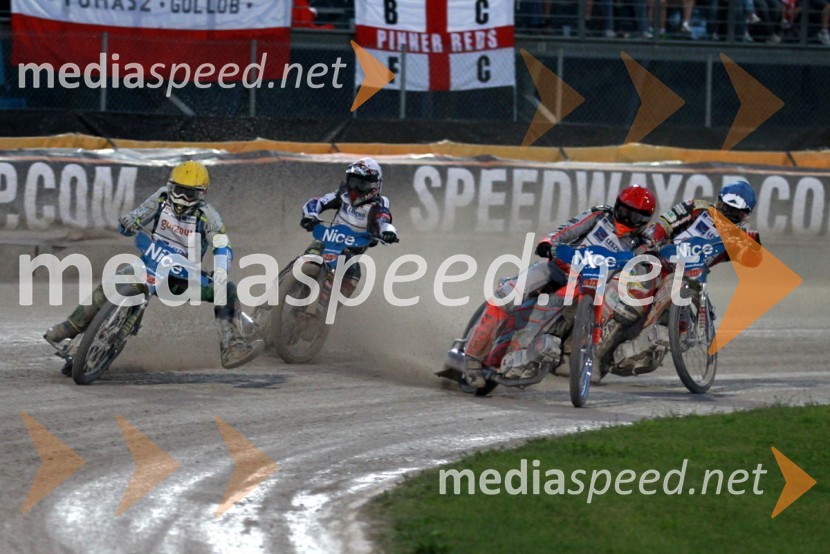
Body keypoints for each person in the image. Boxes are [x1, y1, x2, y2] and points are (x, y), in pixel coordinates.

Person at [44, 161, 259, 370]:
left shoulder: (209, 217)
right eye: (179, 191)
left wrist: (221, 269)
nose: (182, 198)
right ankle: (70, 327)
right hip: (148, 265)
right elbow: (136, 217)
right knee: (110, 283)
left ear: (202, 194)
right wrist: (129, 222)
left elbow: (222, 244)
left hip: (181, 281)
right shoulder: (161, 197)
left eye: (190, 194)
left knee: (227, 289)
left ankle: (232, 346)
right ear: (170, 186)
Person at [464, 185, 657, 385]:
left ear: (644, 221)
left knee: (540, 316)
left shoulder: (642, 244)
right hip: (556, 267)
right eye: (624, 211)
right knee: (505, 296)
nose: (627, 219)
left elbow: (641, 264)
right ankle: (471, 360)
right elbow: (567, 229)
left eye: (635, 217)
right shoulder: (600, 216)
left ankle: (526, 358)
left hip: (584, 286)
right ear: (617, 206)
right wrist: (548, 243)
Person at [605, 180, 762, 374]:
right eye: (725, 208)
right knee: (633, 302)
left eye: (735, 213)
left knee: (682, 330)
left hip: (691, 278)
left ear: (746, 215)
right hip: (659, 262)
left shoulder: (739, 236)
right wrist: (652, 240)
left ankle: (649, 344)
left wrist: (753, 246)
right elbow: (664, 223)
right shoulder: (696, 208)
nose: (727, 215)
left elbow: (753, 259)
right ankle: (601, 330)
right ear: (718, 201)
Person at [299, 157, 398, 297]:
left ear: (375, 185)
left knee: (353, 273)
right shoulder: (343, 194)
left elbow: (383, 219)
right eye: (353, 182)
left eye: (362, 184)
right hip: (326, 241)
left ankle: (327, 307)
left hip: (350, 253)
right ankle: (278, 286)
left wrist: (388, 232)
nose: (355, 188)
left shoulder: (379, 204)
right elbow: (318, 202)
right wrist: (311, 215)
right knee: (306, 257)